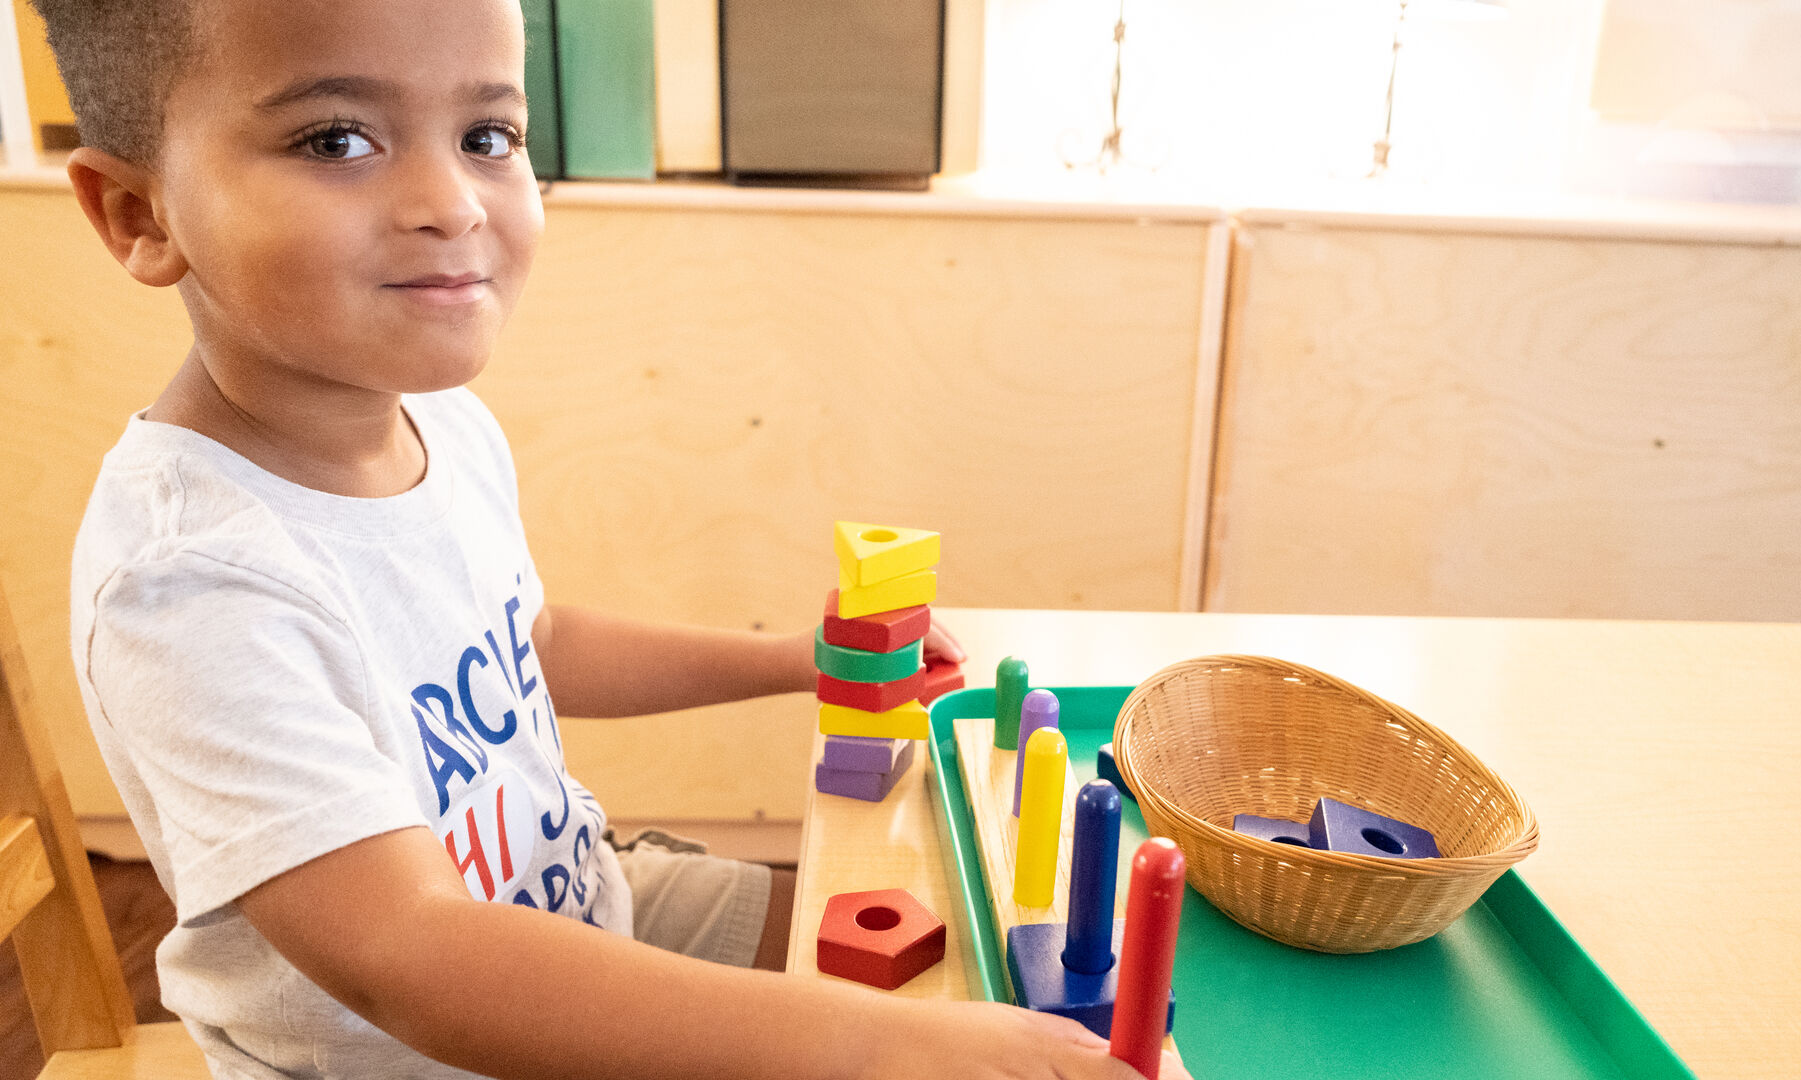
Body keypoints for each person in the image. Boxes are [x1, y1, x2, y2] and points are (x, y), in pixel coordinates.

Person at [38, 0, 1188, 1077]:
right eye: (338, 140)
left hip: (580, 895)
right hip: (413, 1044)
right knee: (896, 1033)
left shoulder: (443, 425)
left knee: (925, 952)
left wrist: (793, 660)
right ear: (139, 215)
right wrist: (891, 1050)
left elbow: (527, 639)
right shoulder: (192, 580)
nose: (454, 200)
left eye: (489, 132)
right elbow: (415, 962)